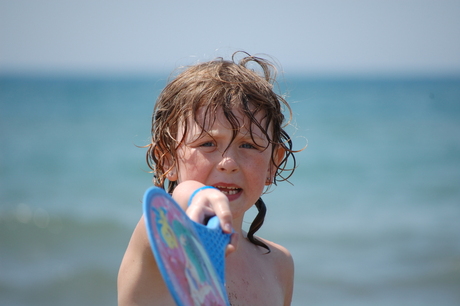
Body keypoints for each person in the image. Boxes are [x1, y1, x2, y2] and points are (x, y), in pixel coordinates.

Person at [118, 52, 299, 306]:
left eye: (248, 145)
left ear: (273, 163)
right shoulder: (162, 239)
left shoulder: (279, 265)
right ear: (167, 159)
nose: (228, 163)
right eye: (208, 143)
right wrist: (195, 194)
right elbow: (175, 204)